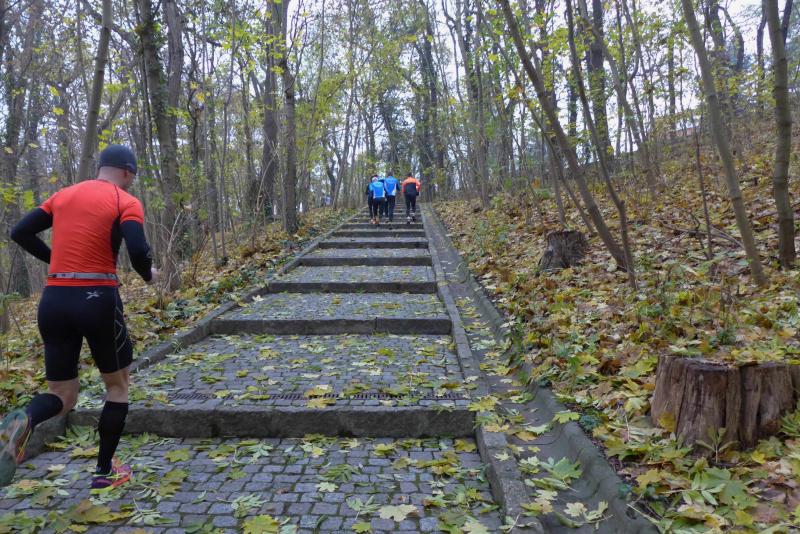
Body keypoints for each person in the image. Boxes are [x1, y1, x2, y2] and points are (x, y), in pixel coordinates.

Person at [1, 144, 157, 493]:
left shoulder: (62, 196)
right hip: (97, 298)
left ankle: (26, 419)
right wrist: (149, 275)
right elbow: (137, 249)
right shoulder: (125, 201)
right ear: (127, 172)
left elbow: (20, 232)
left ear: (101, 167)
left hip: (54, 299)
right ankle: (104, 471)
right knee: (117, 387)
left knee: (63, 395)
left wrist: (56, 258)